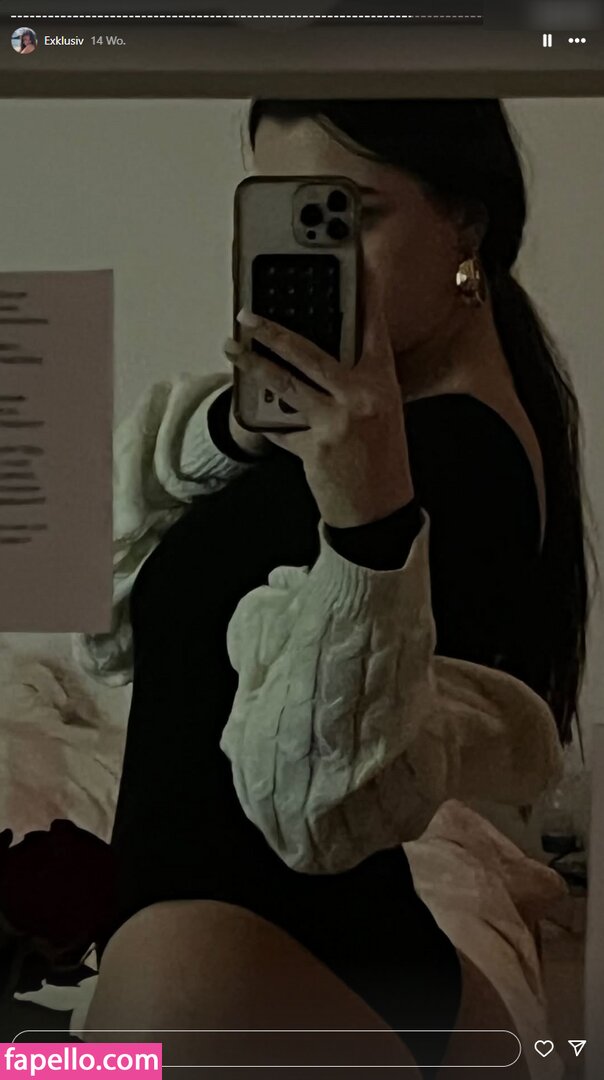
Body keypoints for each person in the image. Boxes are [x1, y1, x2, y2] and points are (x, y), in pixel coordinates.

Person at [76, 100, 589, 1075]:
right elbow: (105, 600)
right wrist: (240, 427)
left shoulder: (455, 464)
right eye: (286, 216)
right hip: (307, 967)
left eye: (349, 215)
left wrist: (369, 525)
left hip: (225, 983)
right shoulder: (373, 427)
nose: (314, 259)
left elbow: (316, 805)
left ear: (465, 225)